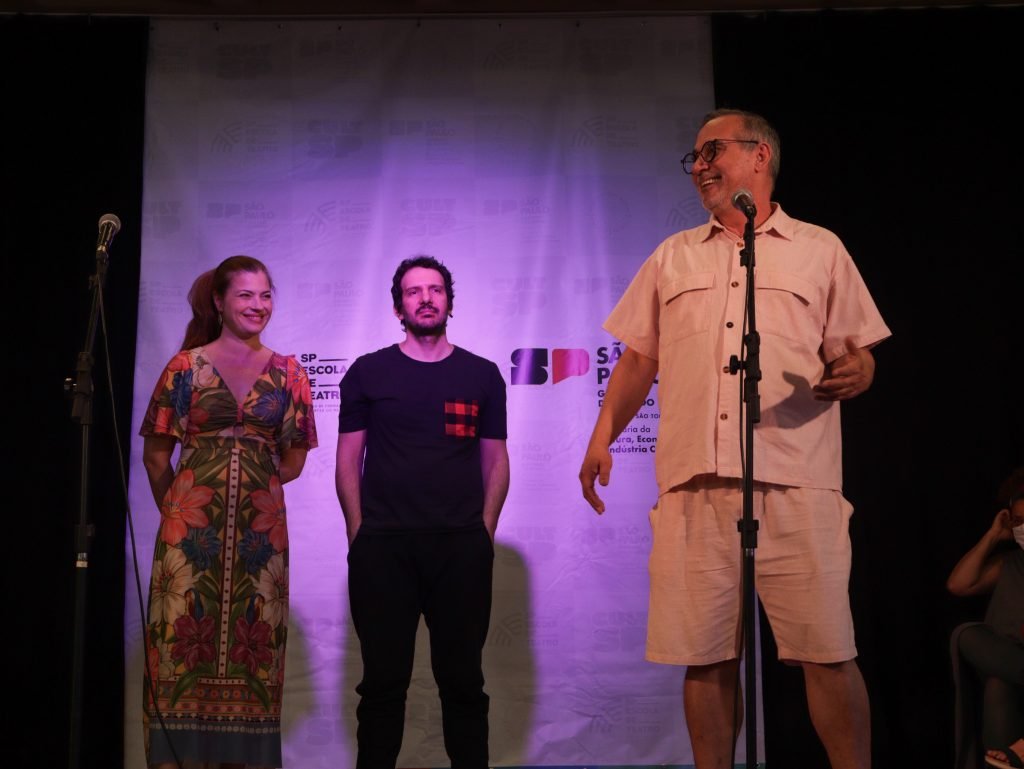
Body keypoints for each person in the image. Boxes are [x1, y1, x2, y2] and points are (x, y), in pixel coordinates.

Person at [578, 108, 891, 769]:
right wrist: (602, 432)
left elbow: (860, 353)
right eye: (693, 157)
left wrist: (855, 370)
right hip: (696, 486)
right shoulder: (672, 256)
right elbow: (639, 359)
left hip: (797, 480)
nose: (699, 167)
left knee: (827, 651)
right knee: (705, 654)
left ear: (760, 157)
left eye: (711, 151)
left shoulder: (819, 248)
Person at [139, 255, 317, 768]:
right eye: (245, 295)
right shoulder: (184, 368)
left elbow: (296, 457)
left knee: (254, 650)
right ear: (219, 302)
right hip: (188, 538)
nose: (258, 306)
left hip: (262, 542)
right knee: (180, 646)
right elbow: (155, 455)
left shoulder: (290, 373)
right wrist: (182, 512)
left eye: (265, 296)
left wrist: (253, 490)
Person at [336, 255, 510, 769]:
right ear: (398, 307)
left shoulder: (482, 375)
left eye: (436, 289)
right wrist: (358, 535)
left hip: (460, 549)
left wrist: (483, 532)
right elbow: (348, 460)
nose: (426, 298)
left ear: (450, 302)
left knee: (463, 684)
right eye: (414, 291)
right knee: (383, 687)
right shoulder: (368, 372)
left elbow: (497, 460)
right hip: (383, 548)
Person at [947, 467, 1024, 769]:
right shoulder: (1010, 562)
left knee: (997, 683)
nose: (1023, 526)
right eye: (1019, 521)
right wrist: (993, 536)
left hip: (1009, 676)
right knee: (966, 634)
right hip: (1010, 658)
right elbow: (958, 585)